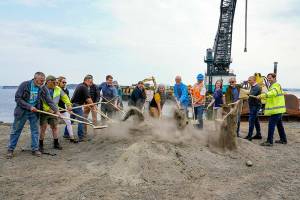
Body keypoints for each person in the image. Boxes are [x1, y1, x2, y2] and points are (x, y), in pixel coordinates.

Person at [7, 72, 59, 158]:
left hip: (34, 112)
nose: (42, 83)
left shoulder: (43, 88)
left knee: (35, 131)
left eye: (43, 81)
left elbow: (49, 100)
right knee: (16, 130)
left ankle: (35, 149)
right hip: (22, 111)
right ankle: (10, 149)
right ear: (35, 79)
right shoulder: (25, 85)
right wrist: (29, 106)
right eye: (41, 81)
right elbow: (18, 98)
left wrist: (56, 111)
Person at [39, 75, 72, 151]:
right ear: (48, 82)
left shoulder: (58, 89)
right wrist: (48, 110)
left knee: (55, 127)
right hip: (44, 112)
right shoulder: (42, 89)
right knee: (43, 128)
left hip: (54, 111)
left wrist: (69, 104)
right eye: (54, 82)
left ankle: (56, 143)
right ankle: (40, 145)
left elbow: (65, 97)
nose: (55, 84)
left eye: (56, 82)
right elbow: (41, 102)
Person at [257, 73, 287, 146]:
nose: (269, 80)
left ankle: (269, 141)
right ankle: (283, 139)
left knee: (271, 125)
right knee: (279, 125)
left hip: (276, 110)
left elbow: (273, 93)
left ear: (274, 78)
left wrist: (262, 95)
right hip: (278, 110)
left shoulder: (275, 85)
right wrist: (264, 97)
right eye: (268, 78)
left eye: (270, 78)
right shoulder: (273, 86)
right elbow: (274, 95)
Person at [71, 74, 96, 142]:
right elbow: (88, 98)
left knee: (71, 120)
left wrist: (90, 104)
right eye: (90, 82)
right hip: (77, 105)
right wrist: (93, 106)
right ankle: (81, 137)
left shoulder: (80, 85)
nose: (91, 84)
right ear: (86, 81)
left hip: (73, 104)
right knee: (82, 120)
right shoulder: (84, 87)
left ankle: (67, 134)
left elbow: (85, 98)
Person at [57, 76, 78, 143]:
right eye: (63, 82)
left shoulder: (66, 90)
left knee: (69, 122)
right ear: (59, 82)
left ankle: (72, 137)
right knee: (54, 126)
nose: (65, 83)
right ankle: (55, 140)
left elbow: (68, 100)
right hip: (54, 110)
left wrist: (70, 108)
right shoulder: (55, 90)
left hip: (63, 110)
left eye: (65, 82)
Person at [244, 76, 262, 141]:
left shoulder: (256, 87)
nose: (248, 81)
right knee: (256, 121)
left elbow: (251, 95)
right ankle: (258, 134)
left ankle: (249, 136)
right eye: (248, 80)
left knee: (251, 120)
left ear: (254, 80)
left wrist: (243, 94)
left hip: (255, 106)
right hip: (253, 106)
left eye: (249, 80)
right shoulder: (253, 87)